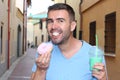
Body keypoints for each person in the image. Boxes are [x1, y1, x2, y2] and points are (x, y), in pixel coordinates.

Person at [31, 3, 107, 80]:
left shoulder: (93, 54)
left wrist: (103, 78)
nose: (53, 26)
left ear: (72, 26)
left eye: (60, 21)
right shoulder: (44, 52)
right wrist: (41, 70)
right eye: (50, 21)